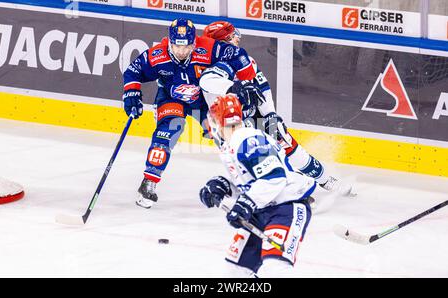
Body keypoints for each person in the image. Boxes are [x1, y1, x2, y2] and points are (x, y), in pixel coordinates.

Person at [200, 21, 355, 197]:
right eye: (230, 37)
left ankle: (325, 180)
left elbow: (262, 87)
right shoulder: (209, 67)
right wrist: (234, 87)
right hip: (230, 127)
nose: (236, 39)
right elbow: (207, 81)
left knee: (290, 148)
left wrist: (270, 114)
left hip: (256, 115)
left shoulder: (245, 60)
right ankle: (281, 193)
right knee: (251, 162)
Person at [122, 18, 258, 209]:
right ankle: (149, 182)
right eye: (177, 46)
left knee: (227, 136)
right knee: (168, 133)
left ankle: (250, 181)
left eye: (187, 46)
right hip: (171, 99)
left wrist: (245, 81)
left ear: (194, 42)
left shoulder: (208, 47)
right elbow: (133, 71)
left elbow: (237, 54)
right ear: (170, 42)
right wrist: (131, 93)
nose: (182, 51)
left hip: (202, 101)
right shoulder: (157, 55)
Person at [199, 94, 315, 277]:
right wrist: (225, 187)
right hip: (260, 211)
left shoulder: (246, 140)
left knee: (275, 268)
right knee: (236, 270)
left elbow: (274, 178)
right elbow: (253, 182)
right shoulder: (233, 144)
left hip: (286, 209)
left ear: (215, 123)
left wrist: (246, 203)